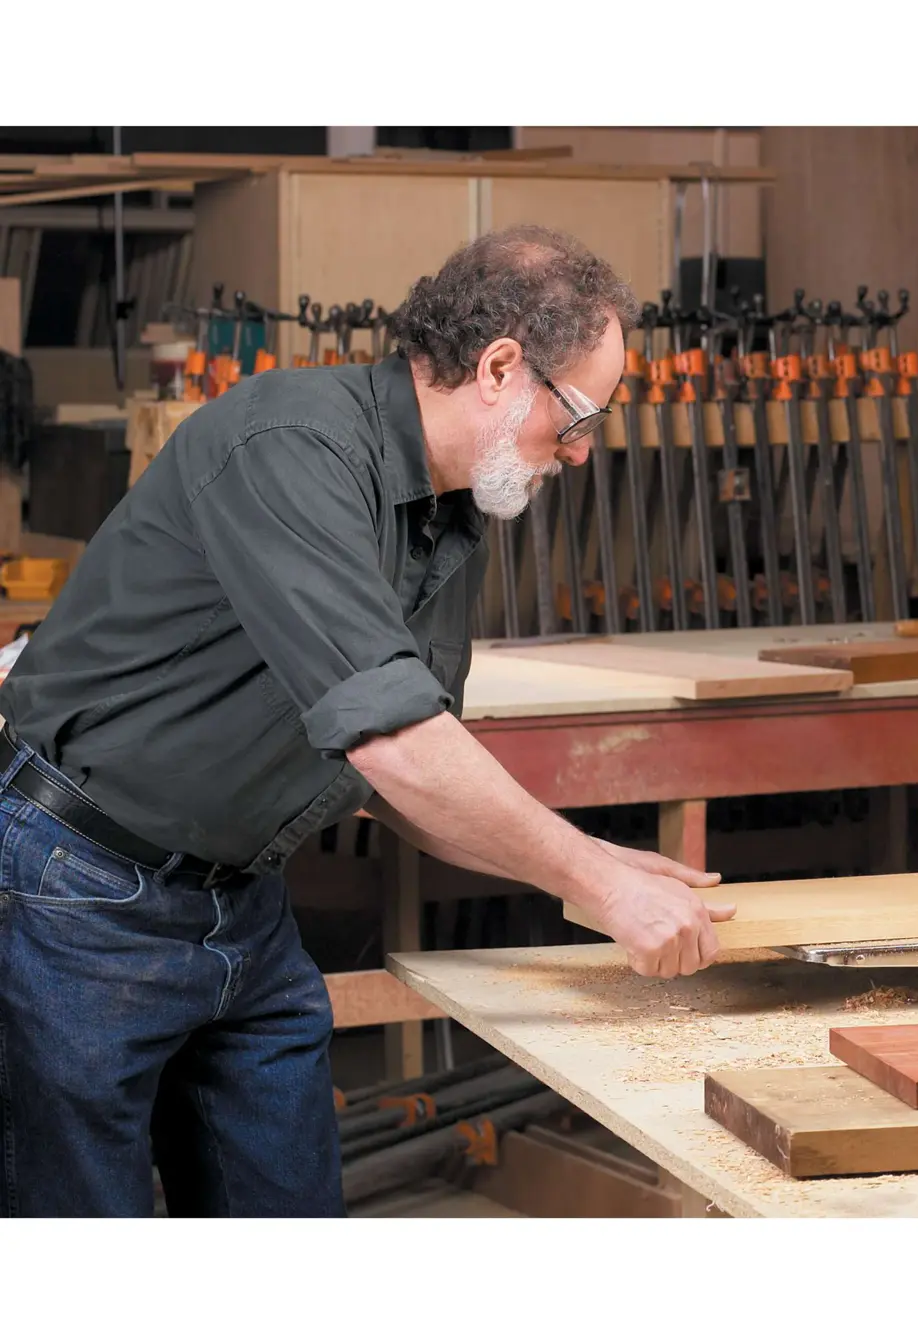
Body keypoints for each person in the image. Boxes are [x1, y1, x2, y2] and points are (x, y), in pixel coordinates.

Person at [0, 225, 733, 1218]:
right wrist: (593, 882)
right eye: (578, 416)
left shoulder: (448, 513)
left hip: (239, 899)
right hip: (78, 890)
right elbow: (396, 742)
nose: (581, 450)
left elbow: (398, 782)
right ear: (499, 368)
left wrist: (593, 862)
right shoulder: (292, 447)